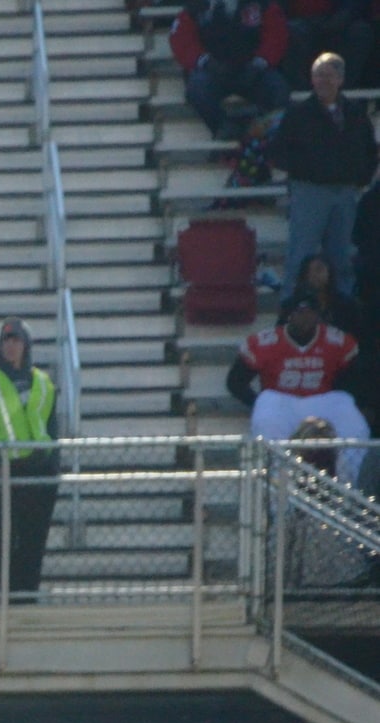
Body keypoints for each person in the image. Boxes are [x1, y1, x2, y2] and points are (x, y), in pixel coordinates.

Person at [0, 317, 63, 596]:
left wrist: (53, 467)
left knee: (34, 540)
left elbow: (53, 429)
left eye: (16, 340)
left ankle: (27, 595)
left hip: (39, 472)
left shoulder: (43, 383)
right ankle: (2, 597)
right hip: (5, 473)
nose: (11, 346)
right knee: (3, 542)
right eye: (6, 340)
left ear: (26, 345)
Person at [270, 54, 375, 295]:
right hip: (309, 192)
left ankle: (344, 316)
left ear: (340, 79)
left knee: (342, 260)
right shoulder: (298, 113)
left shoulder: (356, 114)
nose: (322, 81)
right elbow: (278, 151)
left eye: (328, 75)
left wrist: (360, 178)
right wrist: (306, 170)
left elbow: (369, 150)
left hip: (346, 192)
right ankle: (290, 311)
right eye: (318, 75)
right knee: (300, 257)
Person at [230, 289, 369, 438]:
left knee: (354, 424)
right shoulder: (264, 342)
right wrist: (257, 403)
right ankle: (278, 461)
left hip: (323, 400)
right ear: (289, 315)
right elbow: (235, 382)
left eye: (311, 312)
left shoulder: (337, 341)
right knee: (267, 413)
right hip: (280, 402)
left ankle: (344, 461)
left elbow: (356, 379)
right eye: (301, 312)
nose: (306, 317)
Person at [171, 0, 292, 138]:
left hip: (253, 70)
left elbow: (276, 33)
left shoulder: (261, 4)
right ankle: (223, 127)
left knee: (278, 88)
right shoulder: (196, 7)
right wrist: (206, 62)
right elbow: (182, 40)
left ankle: (266, 130)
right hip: (212, 72)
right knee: (197, 88)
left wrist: (260, 63)